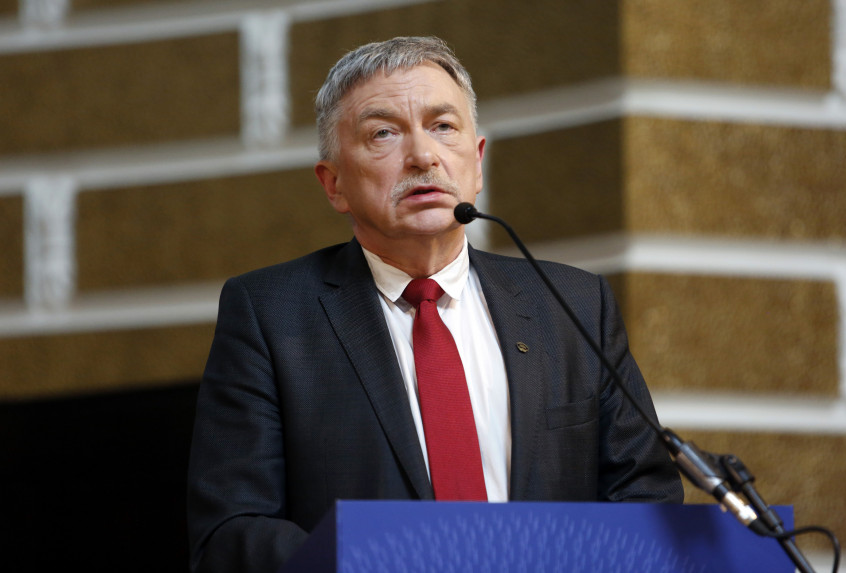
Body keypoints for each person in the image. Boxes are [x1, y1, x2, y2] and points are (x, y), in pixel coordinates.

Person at [187, 36, 683, 573]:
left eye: (443, 126)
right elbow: (231, 532)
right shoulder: (270, 314)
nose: (423, 156)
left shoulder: (573, 305)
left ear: (478, 161)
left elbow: (645, 497)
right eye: (383, 133)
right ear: (334, 184)